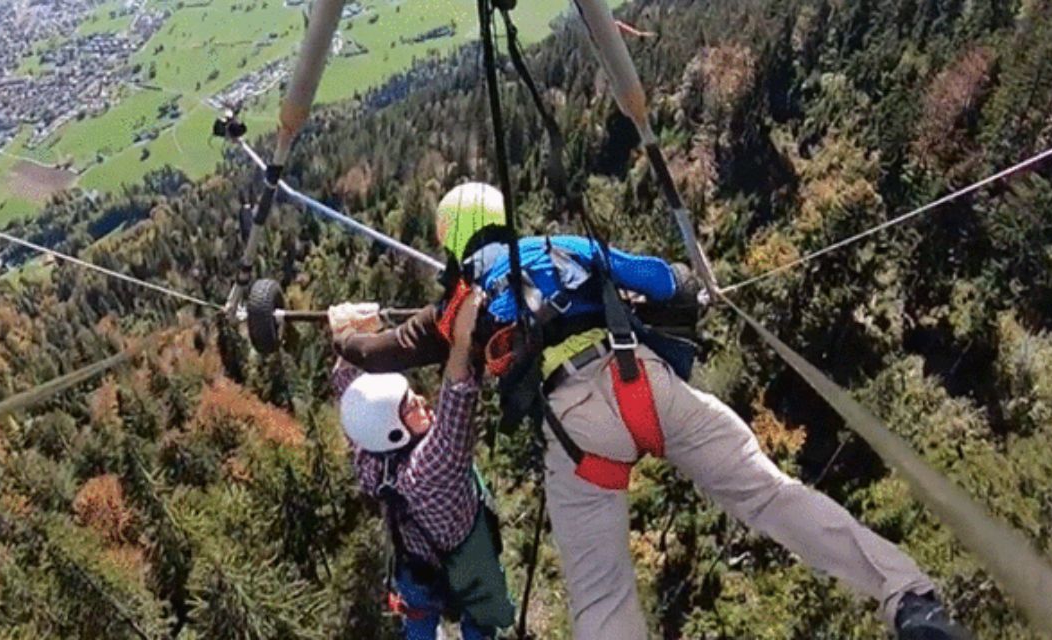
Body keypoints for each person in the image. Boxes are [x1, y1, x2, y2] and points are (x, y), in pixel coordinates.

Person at [332, 182, 972, 640]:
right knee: (770, 494)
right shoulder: (561, 248)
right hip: (646, 384)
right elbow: (667, 281)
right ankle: (909, 599)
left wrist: (342, 333)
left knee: (603, 598)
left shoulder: (453, 310)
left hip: (578, 436)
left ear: (448, 241)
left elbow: (378, 352)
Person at [327, 293, 514, 640]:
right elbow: (458, 391)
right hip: (470, 564)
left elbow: (352, 390)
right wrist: (463, 334)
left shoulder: (370, 453)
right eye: (411, 406)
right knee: (481, 621)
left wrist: (348, 333)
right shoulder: (433, 466)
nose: (423, 402)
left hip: (416, 568)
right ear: (394, 429)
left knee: (418, 619)